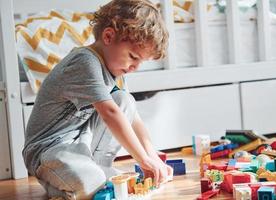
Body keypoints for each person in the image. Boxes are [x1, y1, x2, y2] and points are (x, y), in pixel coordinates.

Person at [22, 0, 173, 199]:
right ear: (108, 36)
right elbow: (109, 114)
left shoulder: (116, 71)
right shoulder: (85, 61)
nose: (135, 67)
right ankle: (70, 186)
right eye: (133, 56)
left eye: (140, 61)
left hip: (80, 140)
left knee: (124, 100)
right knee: (92, 184)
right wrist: (143, 159)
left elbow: (132, 117)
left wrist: (153, 156)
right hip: (49, 149)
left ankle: (98, 169)